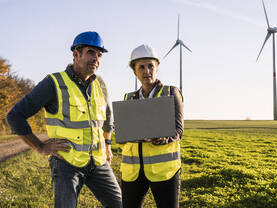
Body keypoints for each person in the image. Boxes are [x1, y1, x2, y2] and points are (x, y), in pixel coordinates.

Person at [6, 31, 122, 208]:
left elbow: (107, 118)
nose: (96, 59)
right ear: (76, 54)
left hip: (98, 162)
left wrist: (107, 146)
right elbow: (15, 116)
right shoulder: (54, 83)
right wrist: (40, 146)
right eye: (91, 52)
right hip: (66, 164)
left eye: (99, 55)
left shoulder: (101, 84)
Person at [120, 44, 184, 208]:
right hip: (133, 172)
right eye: (141, 67)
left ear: (157, 68)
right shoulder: (128, 98)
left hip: (164, 172)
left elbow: (178, 131)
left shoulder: (171, 92)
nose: (146, 71)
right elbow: (122, 136)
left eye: (150, 66)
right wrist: (122, 136)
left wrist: (164, 139)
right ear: (135, 71)